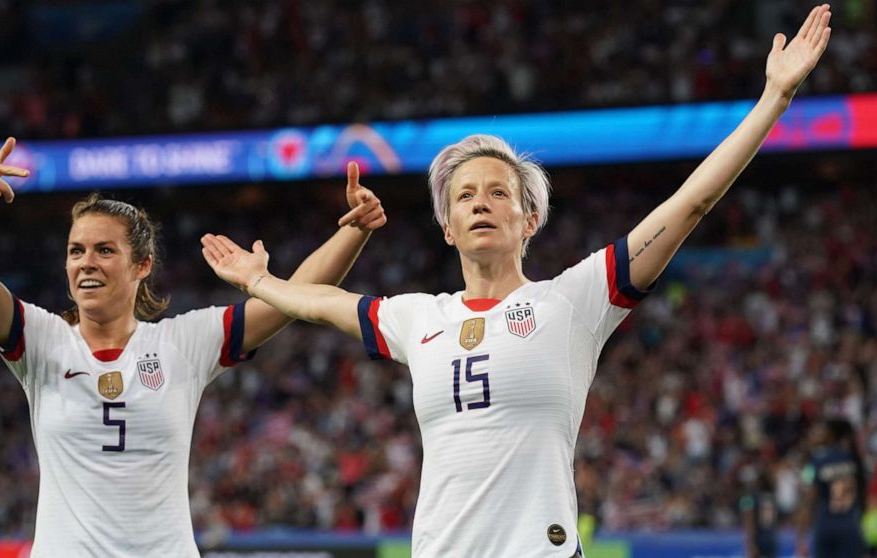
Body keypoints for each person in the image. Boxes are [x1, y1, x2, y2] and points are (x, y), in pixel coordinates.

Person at [202, 6, 832, 557]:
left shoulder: (572, 301)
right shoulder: (419, 316)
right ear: (446, 227)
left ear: (529, 218)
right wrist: (261, 281)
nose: (480, 203)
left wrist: (773, 98)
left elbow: (689, 205)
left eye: (498, 192)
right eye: (465, 195)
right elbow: (323, 303)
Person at [0, 139, 386, 557]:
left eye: (104, 250)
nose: (86, 263)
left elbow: (295, 300)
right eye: (76, 251)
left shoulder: (182, 343)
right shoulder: (41, 341)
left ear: (142, 265)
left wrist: (355, 231)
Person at [797, 418, 868, 558]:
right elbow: (863, 496)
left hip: (826, 527)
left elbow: (808, 499)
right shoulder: (854, 459)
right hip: (851, 527)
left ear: (830, 435)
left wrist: (801, 537)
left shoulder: (817, 461)